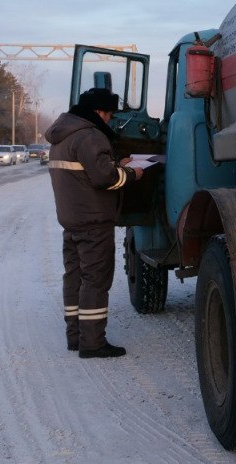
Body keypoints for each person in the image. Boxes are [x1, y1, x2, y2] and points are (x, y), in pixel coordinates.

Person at [45, 87, 142, 358]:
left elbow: (90, 171)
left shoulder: (63, 136)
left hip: (72, 220)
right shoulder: (90, 136)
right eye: (109, 115)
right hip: (93, 220)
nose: (110, 121)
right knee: (96, 281)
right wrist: (131, 173)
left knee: (74, 277)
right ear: (99, 111)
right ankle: (93, 343)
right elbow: (104, 179)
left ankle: (75, 336)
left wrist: (114, 164)